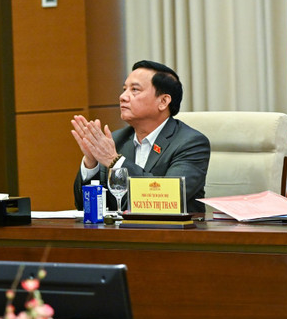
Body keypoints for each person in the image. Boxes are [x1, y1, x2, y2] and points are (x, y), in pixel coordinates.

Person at [72, 60, 210, 213]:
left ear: (163, 101)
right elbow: (84, 207)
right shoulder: (116, 140)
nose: (123, 97)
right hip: (119, 234)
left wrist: (115, 161)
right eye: (124, 89)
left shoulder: (190, 143)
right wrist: (91, 163)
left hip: (173, 234)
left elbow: (167, 197)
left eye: (135, 90)